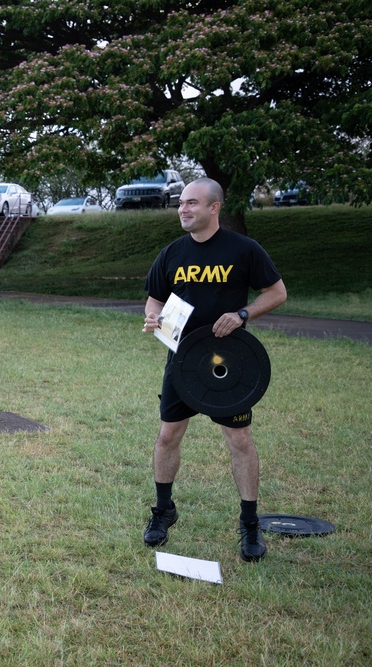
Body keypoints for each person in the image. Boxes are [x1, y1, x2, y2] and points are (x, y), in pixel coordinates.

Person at [141, 177, 287, 562]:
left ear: (213, 207)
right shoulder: (172, 253)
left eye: (191, 203)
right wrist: (153, 319)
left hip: (228, 363)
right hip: (184, 360)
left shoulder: (244, 250)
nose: (183, 209)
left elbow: (277, 293)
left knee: (239, 440)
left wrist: (242, 314)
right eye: (180, 204)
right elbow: (154, 301)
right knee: (168, 435)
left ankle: (250, 525)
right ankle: (162, 512)